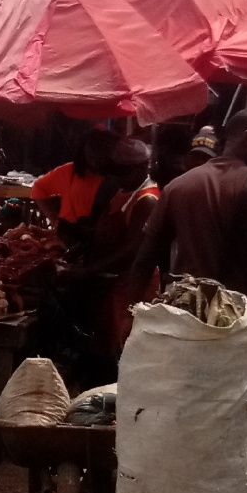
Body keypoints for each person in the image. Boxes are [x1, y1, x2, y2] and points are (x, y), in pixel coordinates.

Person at [129, 107, 247, 377]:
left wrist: (130, 316)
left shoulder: (178, 186)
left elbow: (145, 258)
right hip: (240, 324)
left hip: (186, 322)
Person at [83, 135, 160, 364]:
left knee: (126, 348)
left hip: (135, 286)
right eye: (115, 171)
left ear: (143, 168)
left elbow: (132, 251)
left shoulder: (147, 200)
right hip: (115, 283)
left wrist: (86, 271)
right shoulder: (124, 190)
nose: (117, 178)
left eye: (123, 172)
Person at [31, 129, 117, 252]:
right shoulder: (69, 171)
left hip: (101, 242)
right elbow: (38, 188)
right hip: (67, 240)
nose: (95, 161)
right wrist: (55, 220)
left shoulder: (114, 178)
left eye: (100, 156)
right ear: (84, 153)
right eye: (91, 156)